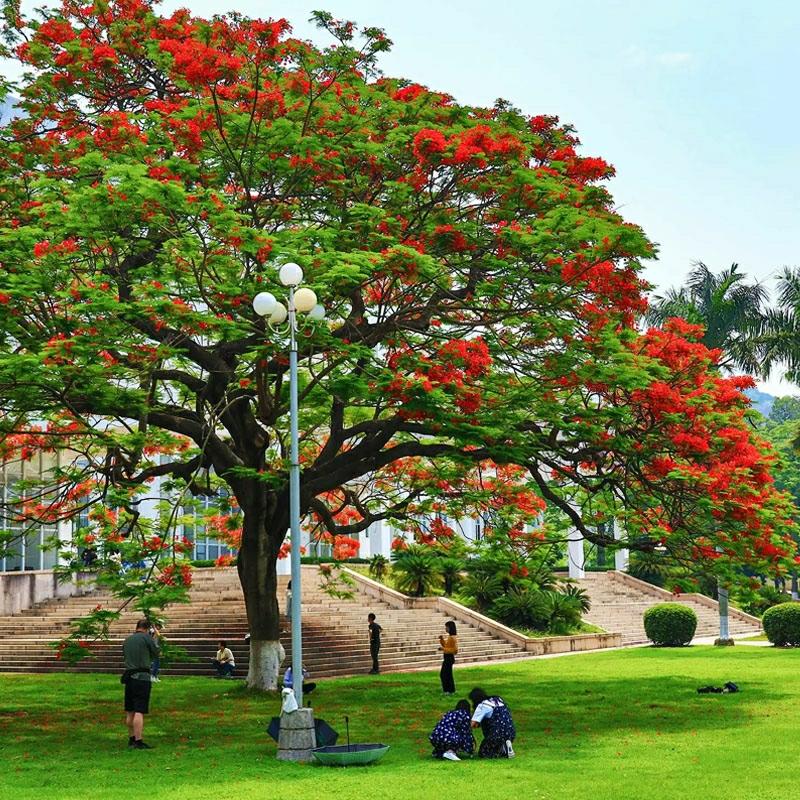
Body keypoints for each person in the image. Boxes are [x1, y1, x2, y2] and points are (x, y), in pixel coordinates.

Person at [122, 618, 160, 749]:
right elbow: (156, 653)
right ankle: (138, 740)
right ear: (147, 629)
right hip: (142, 677)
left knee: (130, 710)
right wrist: (154, 638)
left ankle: (131, 738)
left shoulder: (127, 640)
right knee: (139, 709)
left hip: (129, 677)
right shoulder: (146, 638)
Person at [468, 687, 516, 759]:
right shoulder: (498, 699)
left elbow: (473, 724)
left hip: (497, 733)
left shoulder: (482, 705)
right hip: (510, 731)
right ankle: (505, 745)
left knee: (484, 752)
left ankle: (502, 748)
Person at [439, 621, 458, 695]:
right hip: (447, 658)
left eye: (446, 627)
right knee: (448, 674)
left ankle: (447, 690)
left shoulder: (452, 638)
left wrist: (443, 649)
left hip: (449, 658)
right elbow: (447, 646)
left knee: (444, 674)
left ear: (450, 628)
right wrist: (442, 640)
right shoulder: (450, 637)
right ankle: (451, 690)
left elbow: (455, 650)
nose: (445, 628)